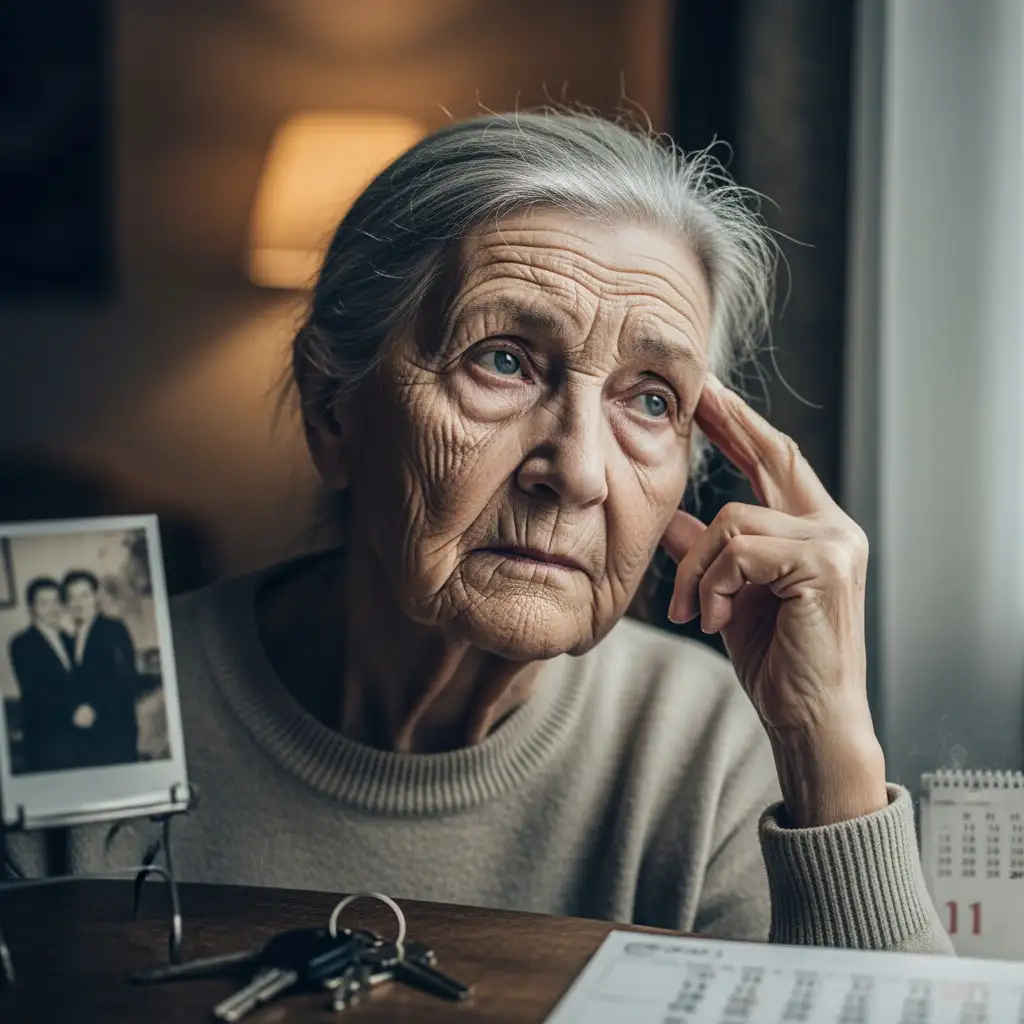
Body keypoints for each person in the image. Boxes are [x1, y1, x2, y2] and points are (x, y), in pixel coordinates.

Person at [20, 111, 949, 953]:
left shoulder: (706, 744)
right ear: (331, 411)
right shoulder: (77, 689)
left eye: (651, 400)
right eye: (502, 360)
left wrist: (830, 750)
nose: (579, 471)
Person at [7, 577, 88, 773]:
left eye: (55, 601)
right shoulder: (22, 643)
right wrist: (73, 711)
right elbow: (36, 691)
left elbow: (82, 680)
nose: (52, 608)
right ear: (32, 609)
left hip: (79, 736)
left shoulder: (69, 638)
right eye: (44, 603)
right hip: (47, 740)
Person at [61, 570, 140, 767]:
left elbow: (125, 678)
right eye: (72, 597)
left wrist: (94, 707)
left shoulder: (113, 628)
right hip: (89, 733)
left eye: (84, 595)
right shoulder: (72, 637)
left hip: (115, 725)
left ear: (96, 596)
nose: (78, 603)